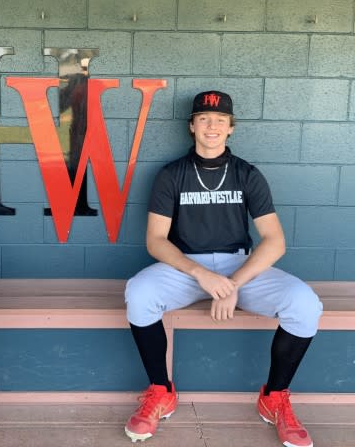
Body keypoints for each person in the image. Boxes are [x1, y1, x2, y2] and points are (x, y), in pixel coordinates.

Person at [123, 90, 323, 447]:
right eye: (203, 119)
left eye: (219, 120)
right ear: (191, 126)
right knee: (139, 293)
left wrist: (231, 283)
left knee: (305, 304)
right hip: (186, 269)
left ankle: (274, 397)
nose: (211, 126)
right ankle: (160, 390)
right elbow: (155, 240)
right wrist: (201, 274)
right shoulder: (172, 175)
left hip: (238, 267)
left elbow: (275, 241)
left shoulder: (247, 174)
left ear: (231, 128)